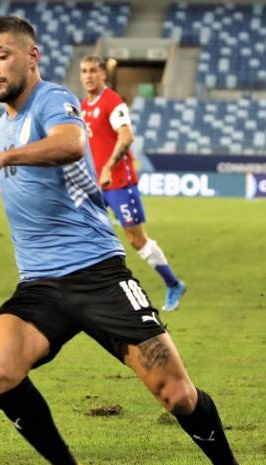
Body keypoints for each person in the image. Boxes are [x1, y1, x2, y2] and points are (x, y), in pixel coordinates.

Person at [0, 16, 251, 465]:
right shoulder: (4, 120)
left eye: (2, 55)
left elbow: (72, 144)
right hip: (40, 286)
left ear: (32, 56)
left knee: (177, 395)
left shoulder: (51, 100)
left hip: (98, 274)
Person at [80, 56, 186, 311]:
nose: (88, 76)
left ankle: (173, 284)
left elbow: (126, 136)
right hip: (95, 184)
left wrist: (107, 166)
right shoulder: (83, 106)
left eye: (93, 71)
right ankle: (96, 293)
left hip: (119, 182)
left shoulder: (112, 101)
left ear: (104, 75)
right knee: (86, 235)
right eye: (84, 71)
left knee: (136, 239)